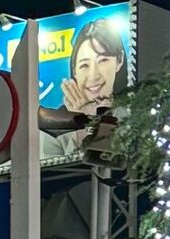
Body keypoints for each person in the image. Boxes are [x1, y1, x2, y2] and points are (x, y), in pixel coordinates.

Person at [39, 15, 128, 159]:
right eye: (84, 65)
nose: (93, 76)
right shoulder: (53, 125)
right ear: (74, 71)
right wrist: (79, 123)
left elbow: (111, 163)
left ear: (119, 60)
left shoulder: (132, 114)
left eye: (103, 61)